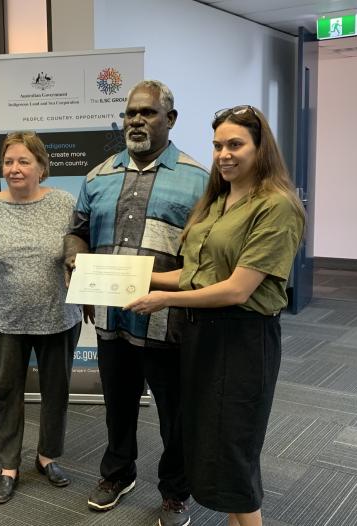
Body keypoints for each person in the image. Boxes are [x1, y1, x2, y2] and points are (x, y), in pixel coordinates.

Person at [126, 105, 305, 526]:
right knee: (214, 444)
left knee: (234, 451)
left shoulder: (277, 207)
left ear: (261, 148)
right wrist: (134, 277)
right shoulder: (218, 200)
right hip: (202, 338)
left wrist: (165, 300)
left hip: (242, 340)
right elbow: (195, 275)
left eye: (235, 144)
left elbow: (237, 289)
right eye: (218, 145)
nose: (224, 154)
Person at [64, 80, 208, 526]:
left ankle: (174, 492)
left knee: (175, 416)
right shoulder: (98, 175)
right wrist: (76, 266)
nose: (137, 121)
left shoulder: (198, 179)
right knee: (118, 404)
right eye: (131, 113)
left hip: (168, 322)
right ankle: (117, 473)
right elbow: (77, 230)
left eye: (147, 113)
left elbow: (205, 258)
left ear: (171, 119)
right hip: (110, 319)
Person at [0, 131, 82, 504]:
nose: (15, 169)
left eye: (24, 161)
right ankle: (8, 466)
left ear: (42, 167)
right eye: (9, 162)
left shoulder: (65, 204)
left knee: (56, 392)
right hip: (4, 320)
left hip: (59, 316)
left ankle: (47, 457)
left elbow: (81, 252)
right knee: (6, 393)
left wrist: (86, 298)